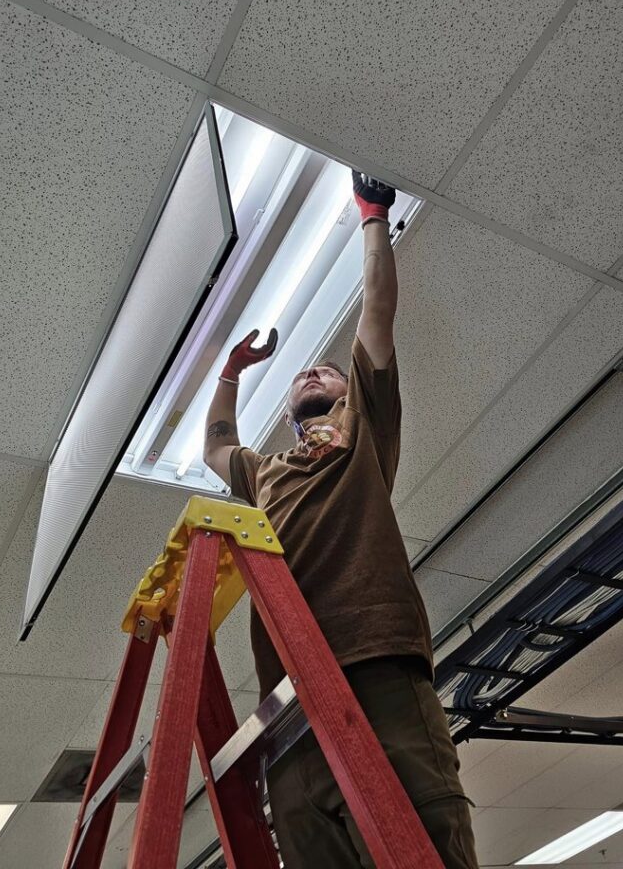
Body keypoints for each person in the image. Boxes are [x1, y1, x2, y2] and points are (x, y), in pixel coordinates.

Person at [203, 171, 479, 869]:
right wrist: (230, 372)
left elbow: (376, 315)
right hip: (290, 706)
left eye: (327, 371)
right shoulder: (264, 473)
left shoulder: (362, 430)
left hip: (376, 667)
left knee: (421, 845)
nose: (313, 373)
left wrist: (371, 216)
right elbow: (213, 447)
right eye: (303, 374)